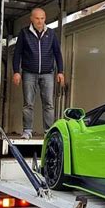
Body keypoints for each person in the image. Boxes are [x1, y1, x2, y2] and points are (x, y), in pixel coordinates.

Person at [12, 8, 64, 139]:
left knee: (49, 104)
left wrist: (61, 71)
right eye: (37, 18)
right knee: (28, 103)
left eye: (42, 18)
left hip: (48, 73)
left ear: (45, 18)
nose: (40, 21)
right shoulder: (24, 33)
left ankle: (48, 131)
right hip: (29, 73)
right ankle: (27, 131)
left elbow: (58, 53)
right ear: (31, 19)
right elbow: (17, 53)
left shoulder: (51, 33)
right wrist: (16, 72)